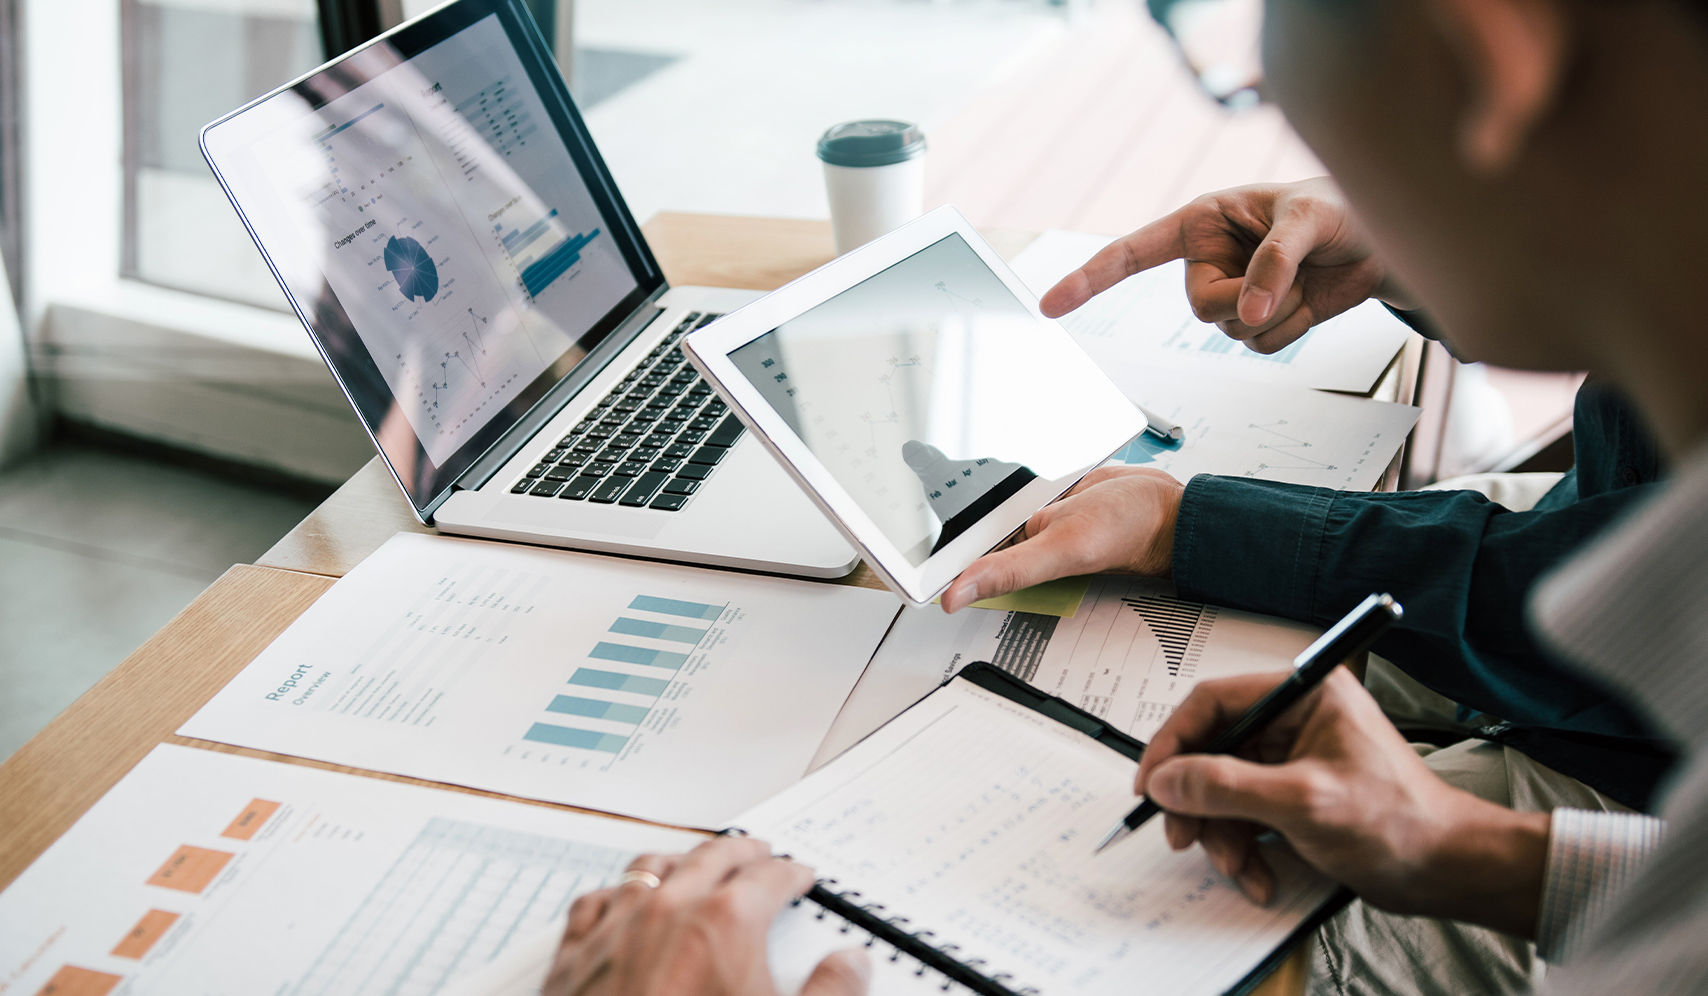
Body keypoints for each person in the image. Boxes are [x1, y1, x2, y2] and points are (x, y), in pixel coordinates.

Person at [541, 0, 1708, 994]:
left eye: (1238, 60)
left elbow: (1563, 607)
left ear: (1477, 54)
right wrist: (1464, 850)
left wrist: (1188, 521)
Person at [940, 177, 1673, 814]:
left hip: (1647, 780)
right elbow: (1635, 302)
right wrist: (1396, 251)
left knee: (1224, 895)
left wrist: (1180, 525)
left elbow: (1616, 595)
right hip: (1586, 511)